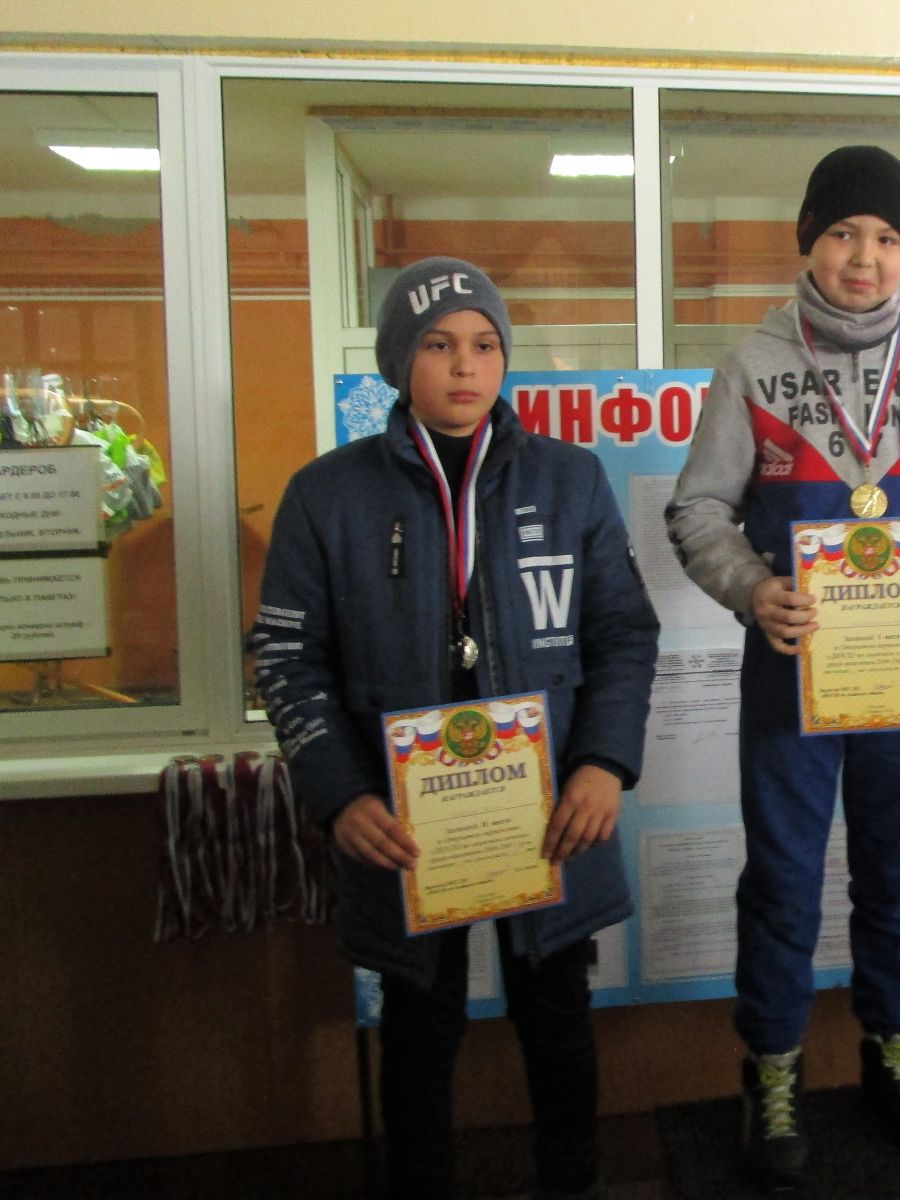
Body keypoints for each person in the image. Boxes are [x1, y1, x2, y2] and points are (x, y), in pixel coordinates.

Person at [249, 257, 660, 1200]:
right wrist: (340, 794)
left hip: (549, 806)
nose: (465, 366)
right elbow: (285, 659)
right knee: (419, 1026)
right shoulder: (326, 495)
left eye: (483, 344)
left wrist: (603, 764)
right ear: (401, 361)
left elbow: (623, 634)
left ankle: (573, 1187)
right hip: (402, 821)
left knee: (556, 1017)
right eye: (438, 345)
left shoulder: (569, 479)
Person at [665, 145, 900, 1190]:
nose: (865, 257)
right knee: (782, 878)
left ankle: (892, 1055)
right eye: (844, 234)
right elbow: (698, 508)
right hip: (794, 664)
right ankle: (771, 1071)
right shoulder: (750, 367)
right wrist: (749, 588)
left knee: (897, 872)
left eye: (888, 238)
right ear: (808, 240)